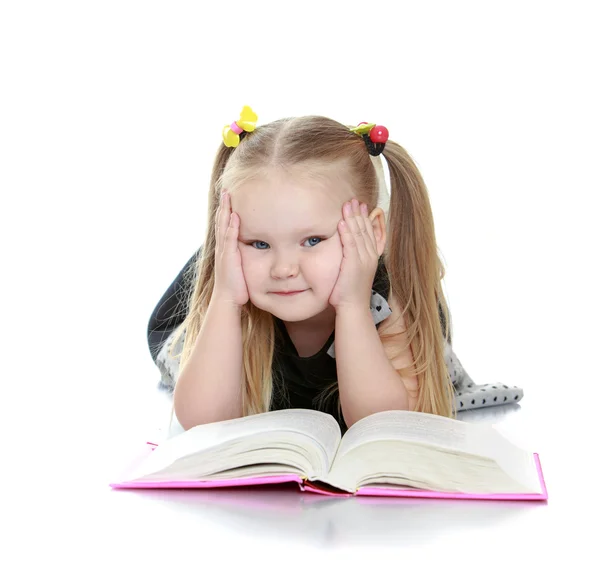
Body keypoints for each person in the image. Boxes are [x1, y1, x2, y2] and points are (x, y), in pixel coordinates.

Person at [146, 106, 524, 434]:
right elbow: (203, 420)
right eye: (259, 243)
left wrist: (353, 307)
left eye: (312, 241)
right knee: (203, 326)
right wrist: (226, 297)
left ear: (373, 233)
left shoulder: (393, 296)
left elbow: (383, 423)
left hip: (363, 293)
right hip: (196, 308)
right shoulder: (236, 279)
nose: (283, 268)